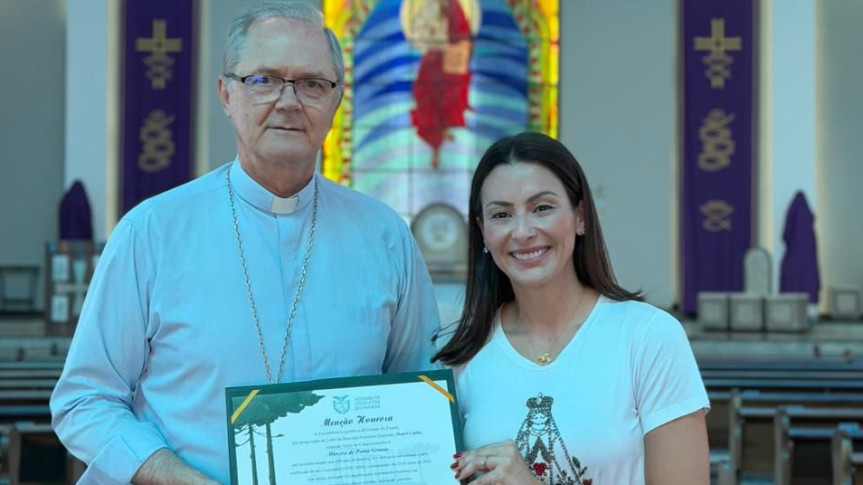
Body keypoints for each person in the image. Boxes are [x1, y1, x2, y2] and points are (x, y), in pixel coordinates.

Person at [50, 3, 440, 484]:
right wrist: (180, 479)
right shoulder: (152, 232)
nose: (289, 101)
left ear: (336, 101)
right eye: (264, 80)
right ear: (226, 94)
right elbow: (85, 400)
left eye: (312, 83)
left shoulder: (385, 237)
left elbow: (420, 392)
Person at [433, 132, 710, 484]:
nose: (522, 231)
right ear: (483, 232)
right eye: (501, 214)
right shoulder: (460, 355)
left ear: (580, 217)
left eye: (542, 208)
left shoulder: (648, 337)